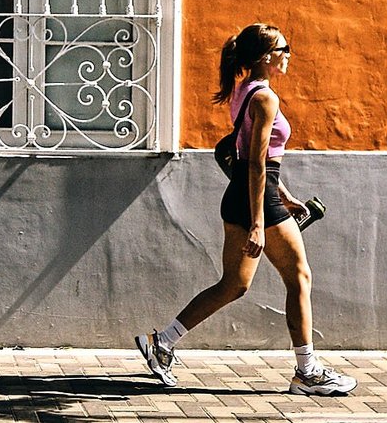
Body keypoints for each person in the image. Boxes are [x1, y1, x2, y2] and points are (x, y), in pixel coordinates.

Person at [135, 23, 357, 395]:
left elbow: (254, 157)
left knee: (234, 284)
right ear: (266, 57)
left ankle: (163, 342)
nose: (289, 55)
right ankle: (307, 371)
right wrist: (259, 222)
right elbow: (255, 162)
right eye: (285, 48)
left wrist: (284, 194)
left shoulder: (245, 91)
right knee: (299, 278)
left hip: (246, 193)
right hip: (257, 199)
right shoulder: (265, 98)